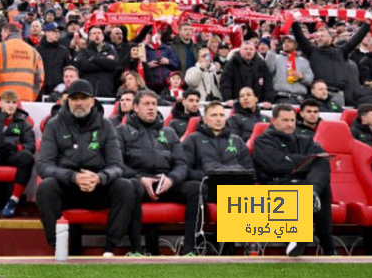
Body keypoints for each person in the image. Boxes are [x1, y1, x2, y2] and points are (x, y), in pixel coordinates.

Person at [36, 79, 136, 257]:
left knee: (125, 187)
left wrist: (99, 178)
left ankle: (110, 249)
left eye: (83, 98)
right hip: (67, 188)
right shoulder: (54, 125)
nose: (79, 103)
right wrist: (74, 177)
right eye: (74, 98)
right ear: (68, 101)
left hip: (97, 188)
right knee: (46, 187)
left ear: (92, 101)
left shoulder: (106, 126)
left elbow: (117, 166)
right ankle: (57, 245)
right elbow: (43, 165)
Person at [116, 90, 202, 256]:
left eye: (154, 104)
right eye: (146, 104)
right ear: (135, 107)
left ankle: (189, 250)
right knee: (129, 187)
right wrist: (140, 178)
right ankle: (136, 250)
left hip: (165, 184)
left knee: (196, 188)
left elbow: (181, 163)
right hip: (138, 182)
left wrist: (171, 179)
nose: (151, 108)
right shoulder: (121, 131)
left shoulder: (169, 132)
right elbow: (117, 163)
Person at [252, 104, 336, 256]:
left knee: (322, 164)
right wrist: (307, 161)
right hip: (276, 184)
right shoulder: (262, 140)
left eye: (292, 120)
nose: (290, 124)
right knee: (316, 185)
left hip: (303, 183)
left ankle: (313, 194)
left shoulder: (306, 139)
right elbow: (275, 165)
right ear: (273, 120)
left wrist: (295, 161)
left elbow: (322, 157)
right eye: (285, 120)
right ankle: (328, 248)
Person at [292, 19, 371, 107]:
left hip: (339, 94)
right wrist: (294, 23)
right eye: (317, 37)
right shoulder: (312, 51)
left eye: (322, 36)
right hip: (318, 94)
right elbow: (300, 37)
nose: (319, 38)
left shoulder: (341, 51)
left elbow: (356, 39)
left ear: (331, 38)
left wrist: (367, 24)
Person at [183, 102, 254, 181]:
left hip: (236, 187)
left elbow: (250, 170)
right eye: (214, 115)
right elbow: (185, 170)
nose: (219, 119)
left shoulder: (237, 140)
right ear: (205, 119)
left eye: (222, 115)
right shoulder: (192, 139)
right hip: (207, 185)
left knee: (267, 192)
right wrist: (211, 176)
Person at [0, 23, 45, 102]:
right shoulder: (34, 52)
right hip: (26, 97)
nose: (1, 37)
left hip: (1, 97)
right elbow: (39, 78)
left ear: (7, 31)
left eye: (2, 34)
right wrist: (32, 96)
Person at [265, 36, 314, 104]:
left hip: (300, 99)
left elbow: (310, 80)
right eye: (284, 42)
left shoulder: (304, 61)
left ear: (296, 45)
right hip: (281, 97)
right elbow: (268, 71)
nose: (286, 44)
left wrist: (302, 77)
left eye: (289, 42)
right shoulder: (276, 58)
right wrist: (272, 50)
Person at [74, 26, 119, 97]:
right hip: (88, 92)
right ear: (90, 37)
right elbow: (83, 66)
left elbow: (113, 65)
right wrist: (105, 63)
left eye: (99, 33)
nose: (97, 35)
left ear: (103, 36)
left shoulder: (110, 50)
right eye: (94, 33)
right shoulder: (84, 51)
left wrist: (94, 59)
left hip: (106, 91)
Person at [36, 22, 70, 97]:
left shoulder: (63, 50)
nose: (57, 33)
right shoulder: (36, 50)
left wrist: (63, 84)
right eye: (54, 31)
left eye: (58, 32)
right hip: (41, 89)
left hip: (59, 90)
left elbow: (67, 68)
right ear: (46, 33)